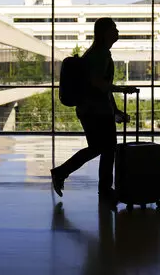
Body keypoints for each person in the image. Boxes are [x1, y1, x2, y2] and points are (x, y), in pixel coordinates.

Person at [50, 17, 136, 203]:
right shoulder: (98, 55)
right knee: (104, 148)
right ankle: (68, 175)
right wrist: (120, 90)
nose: (117, 31)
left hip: (94, 110)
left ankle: (99, 188)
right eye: (114, 28)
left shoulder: (100, 53)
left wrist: (115, 110)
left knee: (103, 148)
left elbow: (103, 87)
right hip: (94, 111)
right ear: (105, 32)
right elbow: (98, 84)